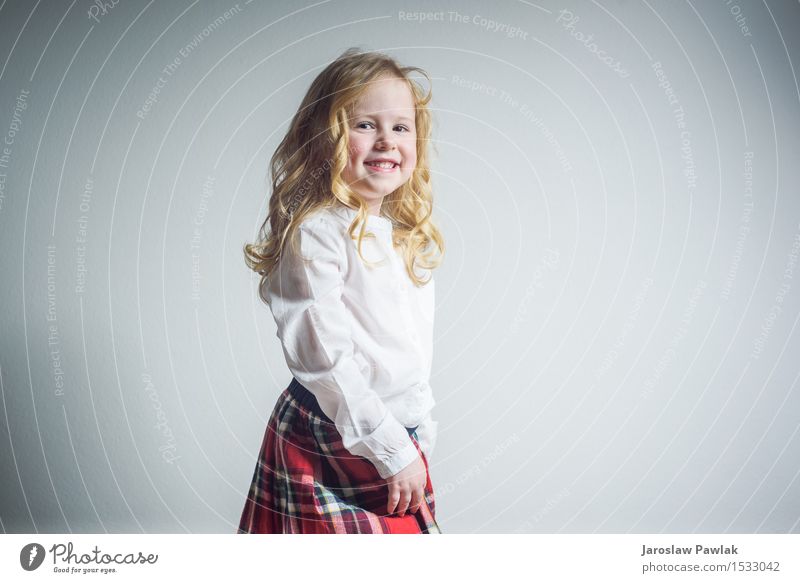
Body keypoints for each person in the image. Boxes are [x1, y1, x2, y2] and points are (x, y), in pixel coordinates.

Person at [237, 47, 445, 534]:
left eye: (400, 127)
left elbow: (408, 350)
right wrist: (391, 447)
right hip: (337, 433)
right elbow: (325, 359)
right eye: (365, 125)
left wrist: (418, 428)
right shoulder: (317, 232)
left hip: (388, 434)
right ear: (324, 138)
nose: (386, 141)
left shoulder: (397, 234)